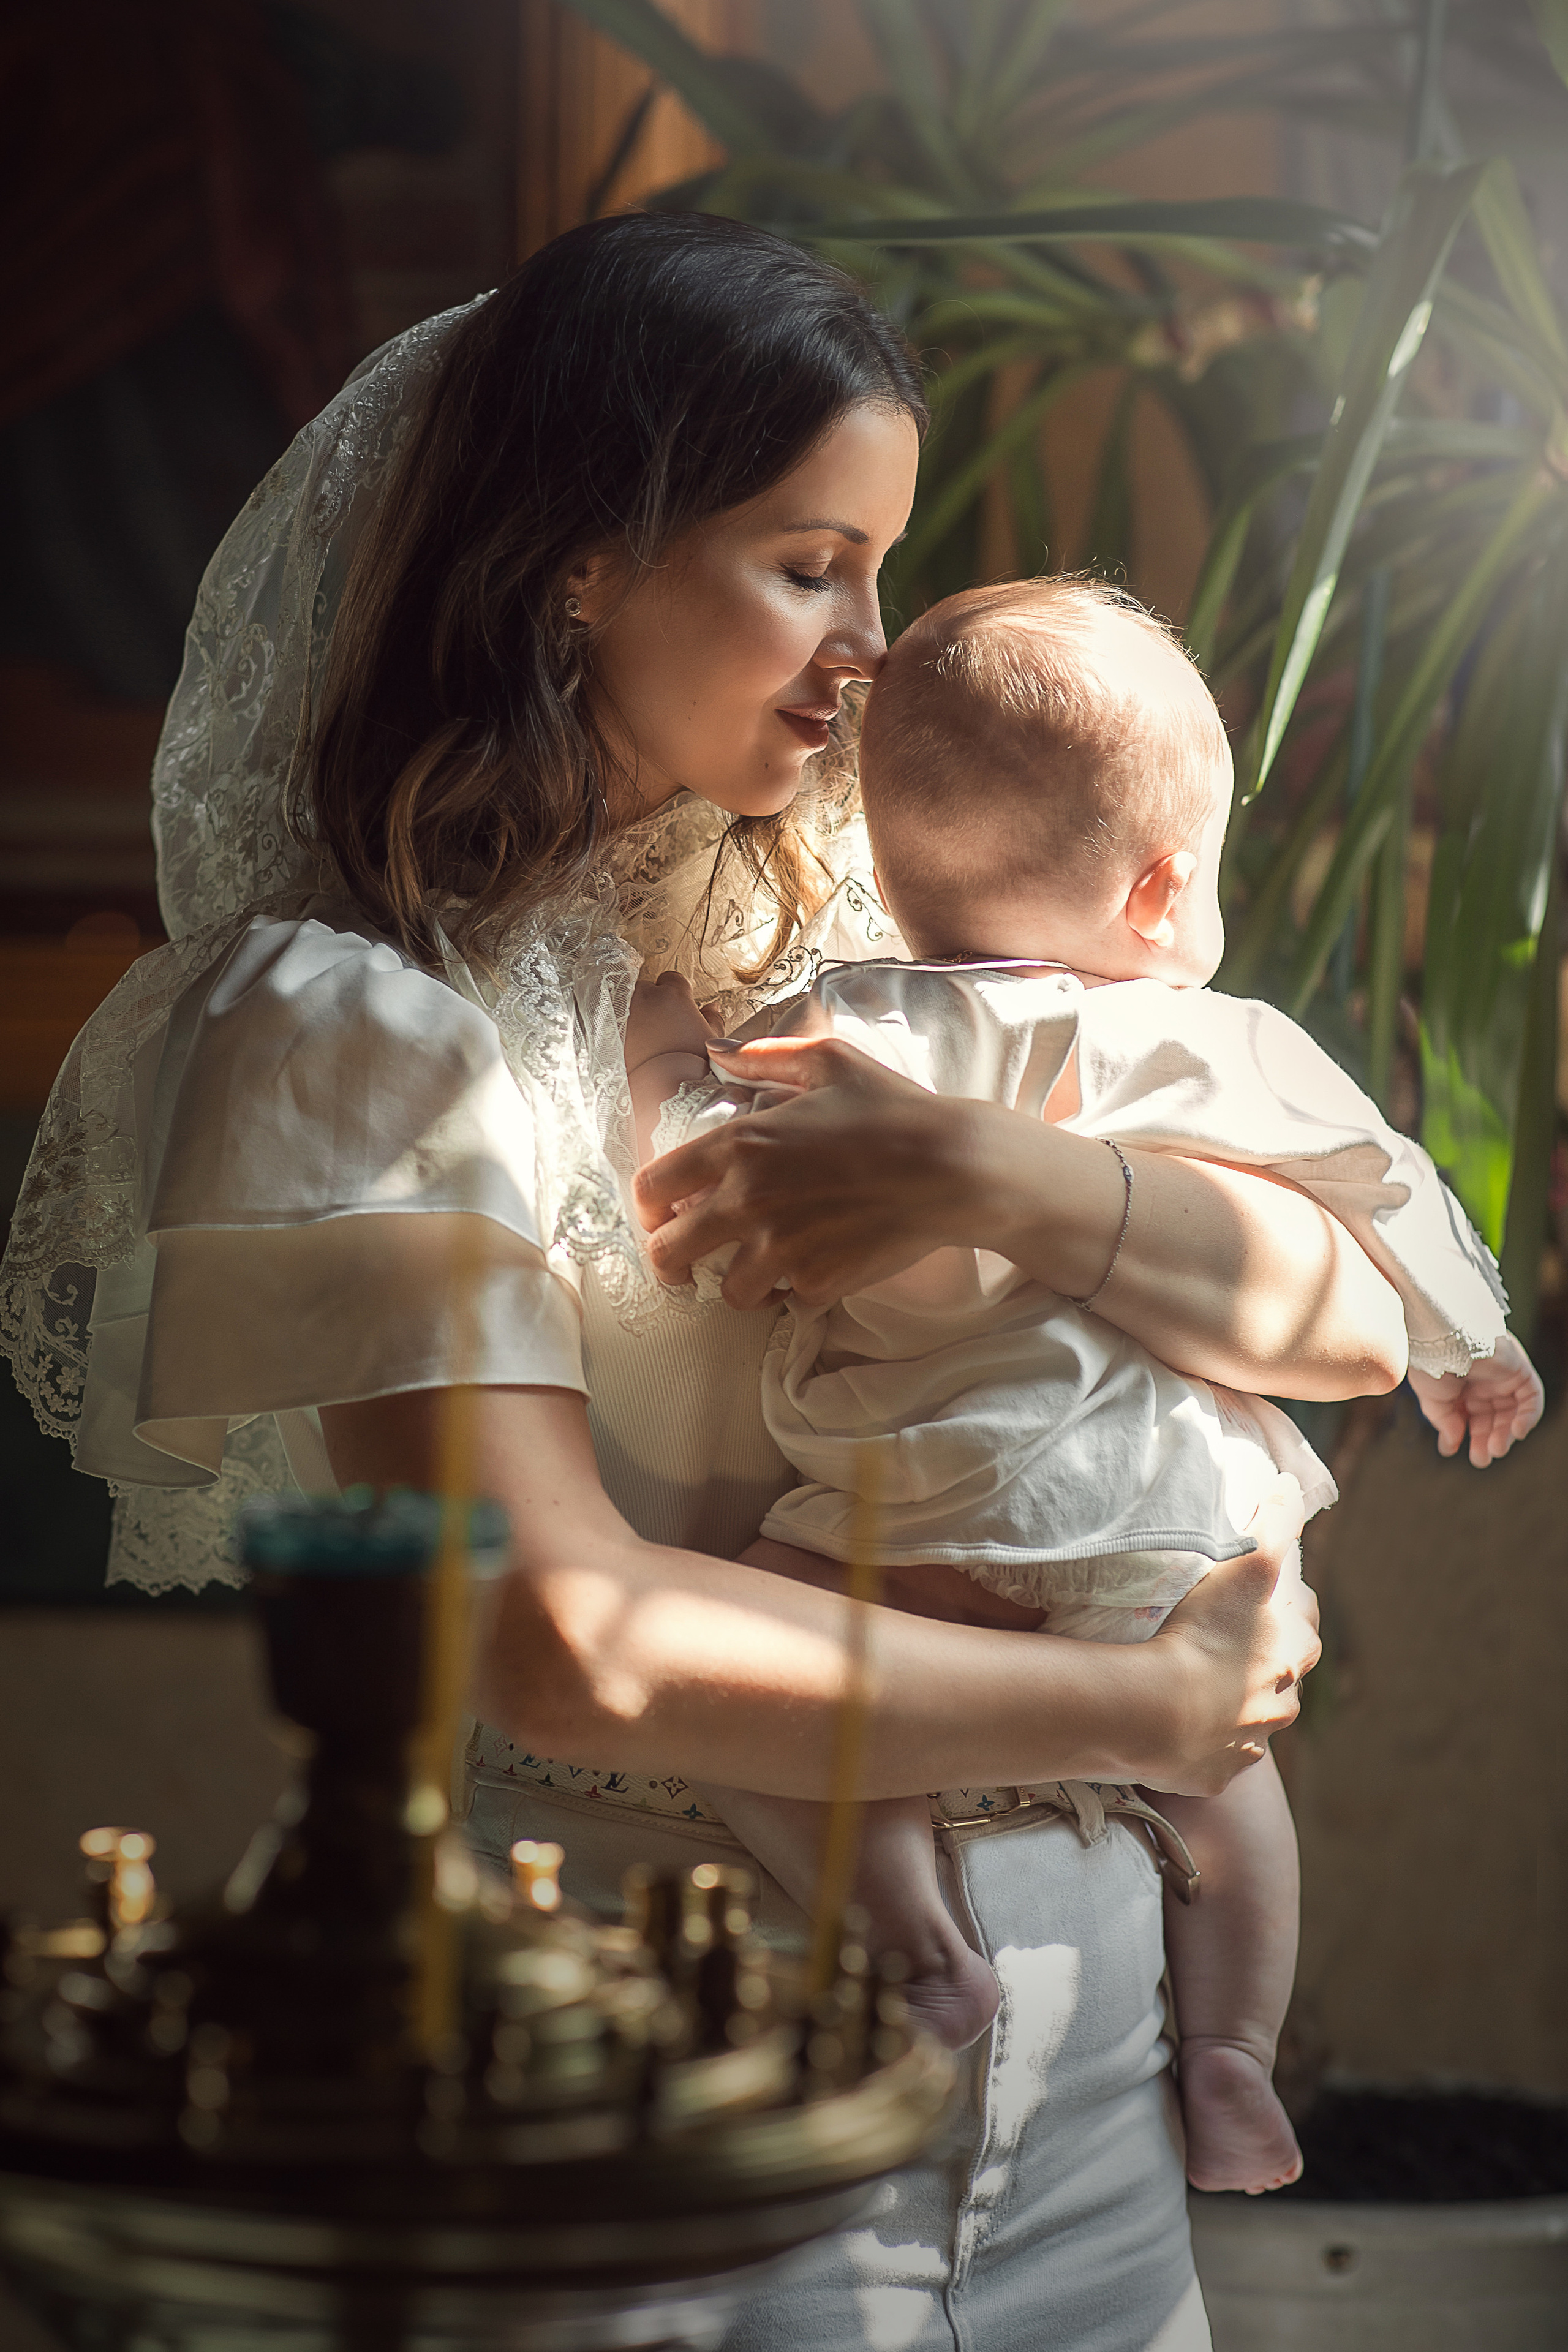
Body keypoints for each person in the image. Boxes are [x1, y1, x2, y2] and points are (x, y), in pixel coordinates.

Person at [4, 216, 1392, 2351]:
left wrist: (993, 1169)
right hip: (691, 2068)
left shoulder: (873, 954)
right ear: (583, 557)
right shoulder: (363, 1031)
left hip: (1107, 2064)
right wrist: (1152, 1706)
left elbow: (1350, 1315)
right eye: (805, 561)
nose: (872, 644)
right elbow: (564, 1639)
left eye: (882, 567)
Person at [622, 575, 1544, 2201]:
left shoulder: (854, 1024)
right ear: (1165, 885)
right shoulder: (1226, 1039)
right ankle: (1232, 2061)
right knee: (1232, 1774)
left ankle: (916, 1945)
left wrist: (660, 1069)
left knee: (759, 1675)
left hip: (912, 1516)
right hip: (1153, 1530)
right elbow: (1381, 1184)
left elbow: (713, 1190)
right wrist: (1473, 1347)